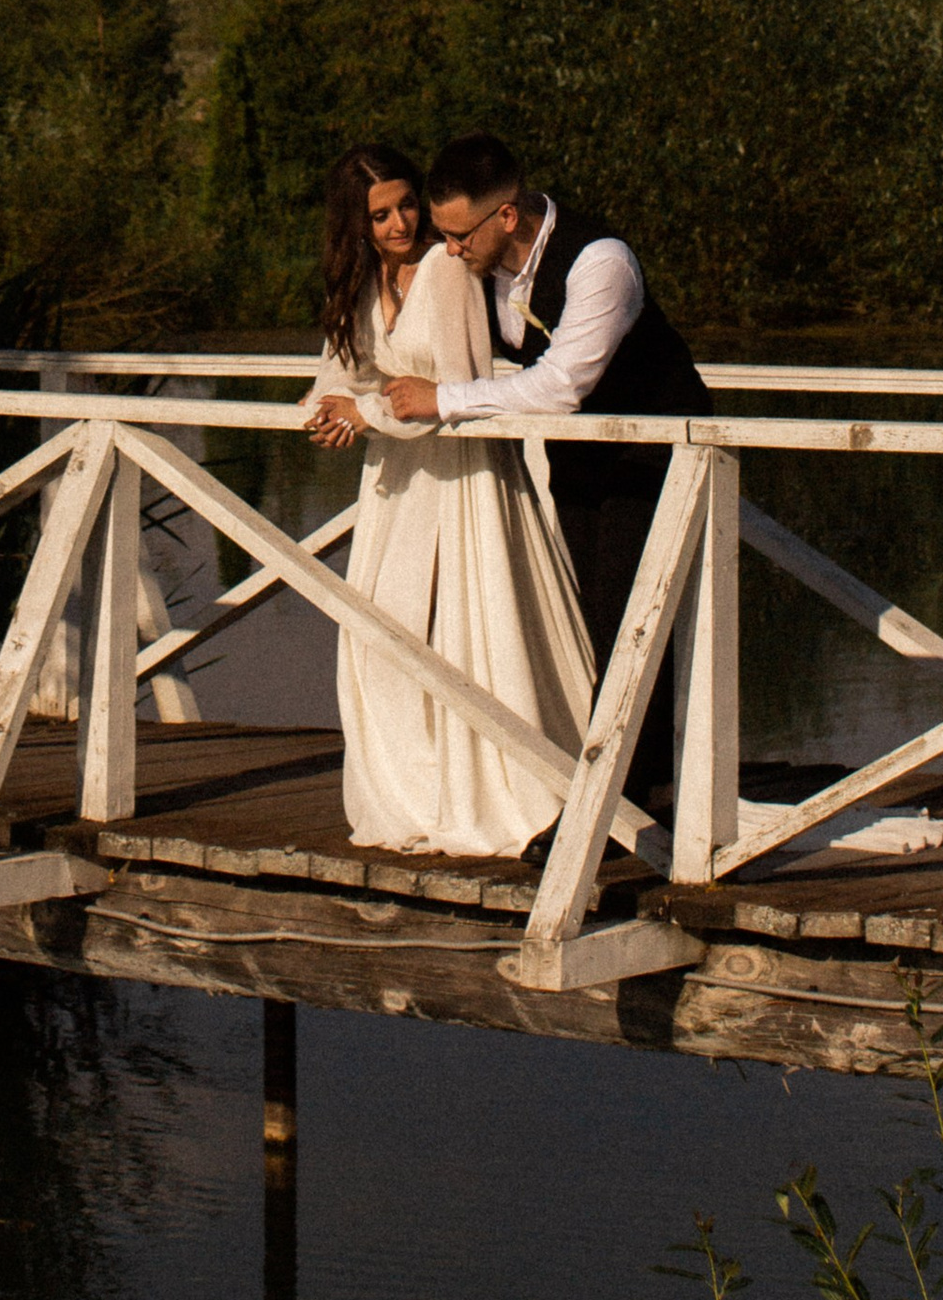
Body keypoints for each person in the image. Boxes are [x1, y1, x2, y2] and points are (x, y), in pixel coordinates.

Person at [383, 130, 710, 814]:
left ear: (507, 216)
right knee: (595, 625)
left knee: (632, 628)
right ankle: (630, 795)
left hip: (655, 457)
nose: (449, 249)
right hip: (582, 465)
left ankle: (619, 806)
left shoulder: (600, 262)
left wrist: (441, 402)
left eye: (459, 235)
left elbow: (562, 384)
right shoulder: (485, 265)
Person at [301, 140, 596, 858]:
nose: (401, 225)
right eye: (381, 216)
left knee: (475, 638)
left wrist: (365, 413)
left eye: (406, 206)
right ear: (357, 226)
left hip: (466, 483)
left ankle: (497, 788)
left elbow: (457, 392)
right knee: (381, 641)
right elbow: (338, 373)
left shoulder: (448, 269)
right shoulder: (362, 285)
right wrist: (331, 405)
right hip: (397, 492)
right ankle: (410, 790)